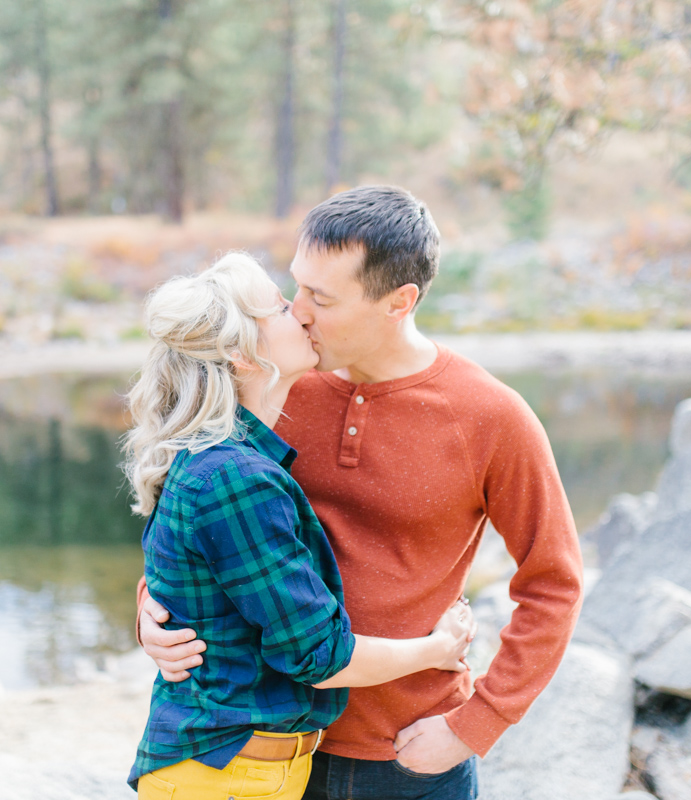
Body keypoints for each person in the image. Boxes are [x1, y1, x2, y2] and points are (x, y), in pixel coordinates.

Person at [138, 186, 585, 800]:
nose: (298, 311)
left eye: (321, 298)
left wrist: (474, 725)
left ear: (399, 302)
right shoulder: (274, 384)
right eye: (297, 286)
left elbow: (553, 582)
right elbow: (190, 518)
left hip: (412, 755)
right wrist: (153, 611)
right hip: (266, 751)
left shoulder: (491, 416)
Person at [123, 252, 476, 800]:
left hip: (250, 773)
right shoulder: (233, 476)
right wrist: (436, 649)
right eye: (283, 306)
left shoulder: (227, 459)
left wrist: (152, 605)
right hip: (228, 776)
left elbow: (197, 572)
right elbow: (319, 656)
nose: (304, 313)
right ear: (242, 355)